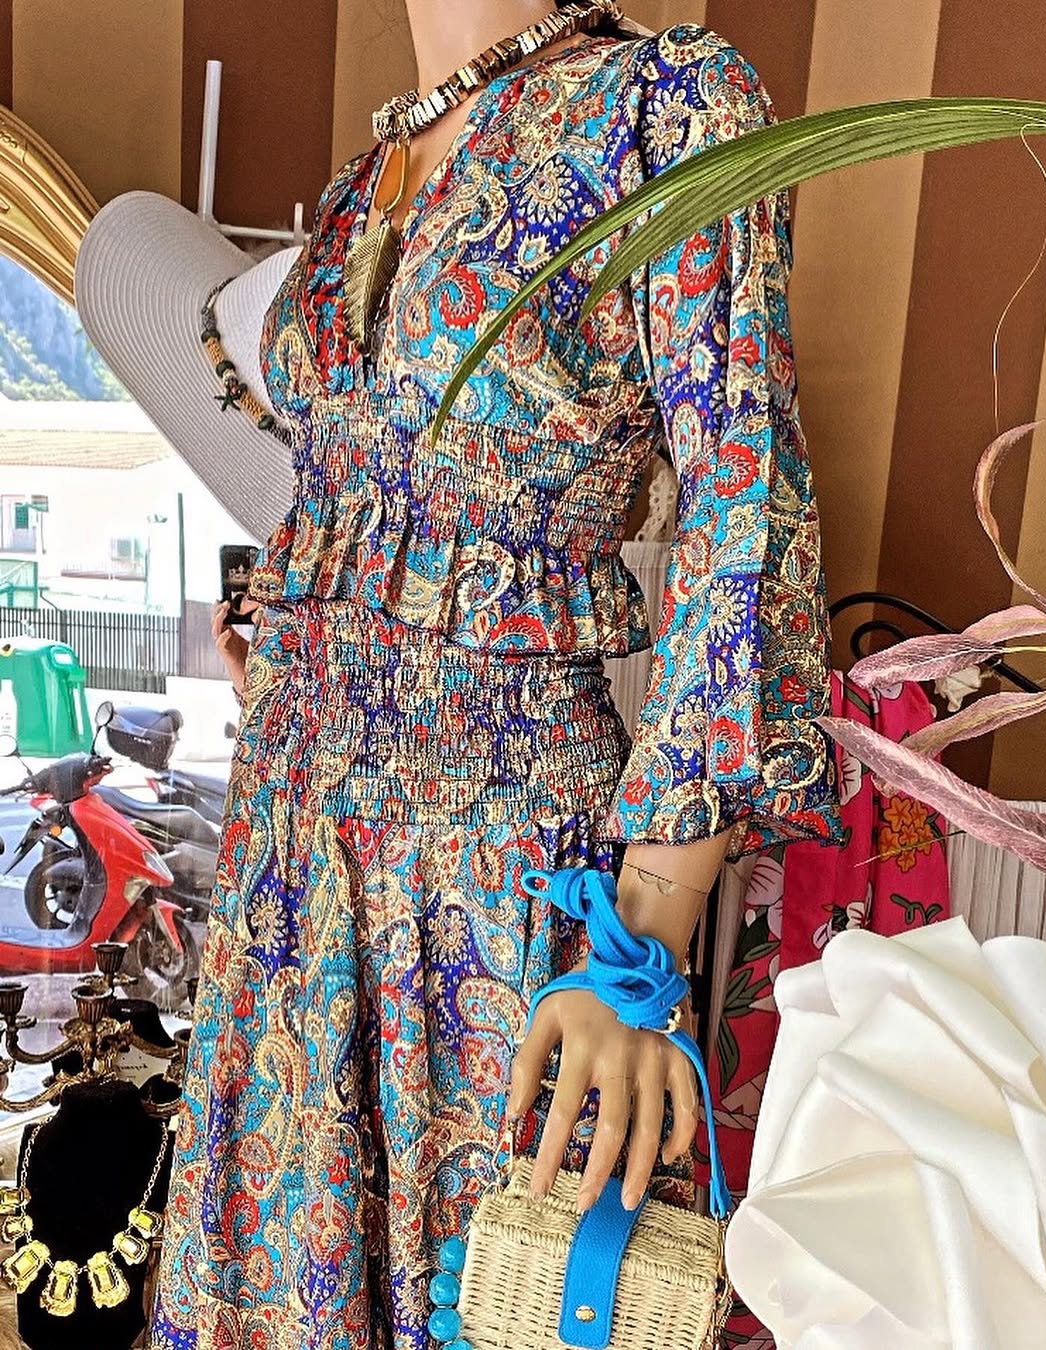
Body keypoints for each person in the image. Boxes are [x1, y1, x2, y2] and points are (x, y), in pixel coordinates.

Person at [150, 2, 840, 1346]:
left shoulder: (659, 110)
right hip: (290, 865)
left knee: (504, 1293)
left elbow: (744, 511)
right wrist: (296, 651)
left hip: (495, 868)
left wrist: (638, 946)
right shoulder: (365, 185)